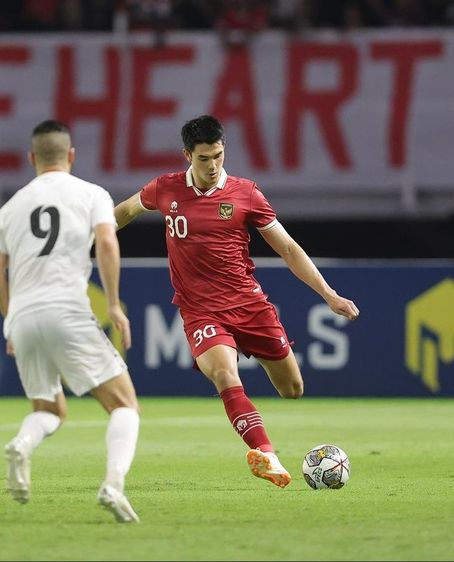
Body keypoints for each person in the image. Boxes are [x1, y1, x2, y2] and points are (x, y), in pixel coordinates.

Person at [114, 115, 359, 488]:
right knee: (225, 374)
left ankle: (258, 421)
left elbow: (289, 248)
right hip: (201, 310)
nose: (212, 166)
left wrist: (329, 294)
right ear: (186, 156)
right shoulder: (165, 189)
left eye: (218, 156)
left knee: (292, 389)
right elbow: (126, 211)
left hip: (250, 305)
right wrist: (87, 235)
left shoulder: (246, 194)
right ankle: (267, 455)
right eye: (203, 159)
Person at [0, 119, 141, 522]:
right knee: (124, 404)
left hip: (22, 314)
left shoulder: (8, 208)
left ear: (31, 158)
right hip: (67, 308)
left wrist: (9, 322)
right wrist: (112, 305)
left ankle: (22, 442)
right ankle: (113, 484)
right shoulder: (92, 195)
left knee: (50, 409)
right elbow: (107, 241)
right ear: (71, 156)